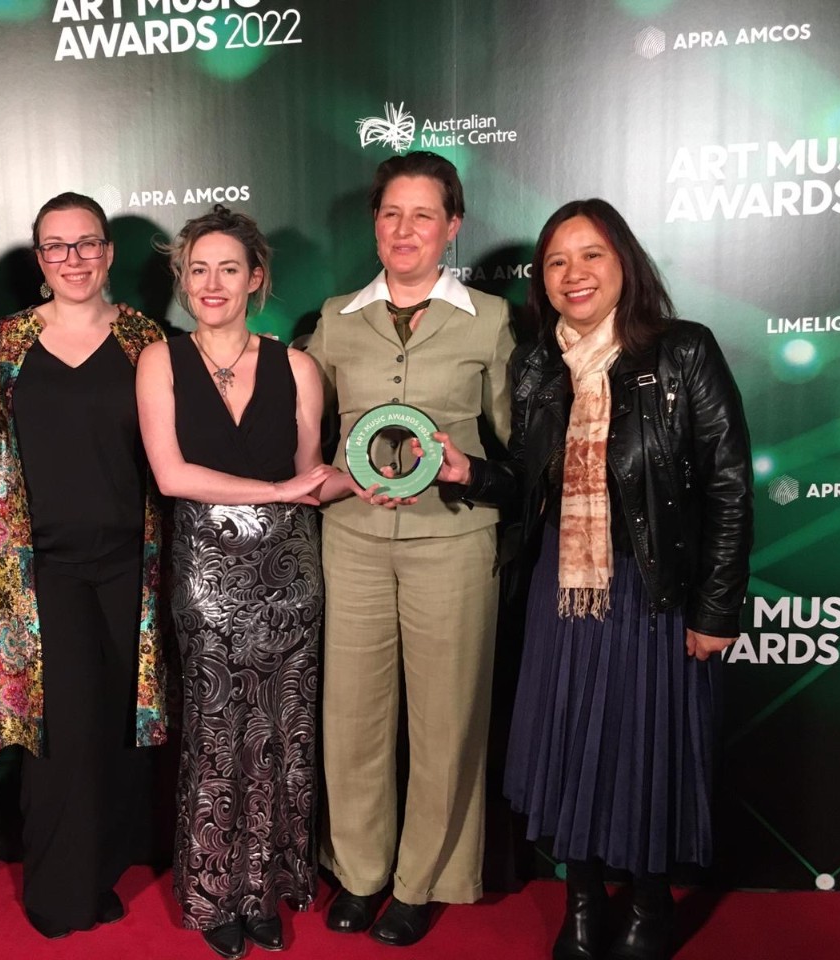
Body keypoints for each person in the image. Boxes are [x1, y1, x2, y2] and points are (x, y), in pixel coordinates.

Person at [438, 198, 752, 960]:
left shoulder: (683, 351)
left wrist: (716, 609)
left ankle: (648, 905)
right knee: (566, 739)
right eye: (556, 261)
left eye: (591, 255)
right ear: (541, 280)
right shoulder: (539, 365)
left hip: (652, 590)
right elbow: (528, 482)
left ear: (625, 265)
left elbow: (729, 487)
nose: (572, 274)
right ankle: (580, 901)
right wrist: (468, 472)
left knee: (647, 746)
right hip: (562, 589)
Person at [304, 151, 515, 947]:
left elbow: (518, 453)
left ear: (451, 226)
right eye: (392, 213)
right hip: (352, 542)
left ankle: (424, 881)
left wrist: (470, 471)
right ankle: (360, 873)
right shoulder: (335, 319)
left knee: (446, 719)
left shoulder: (490, 320)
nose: (405, 229)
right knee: (352, 717)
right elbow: (307, 435)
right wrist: (328, 477)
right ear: (374, 224)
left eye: (423, 214)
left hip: (453, 541)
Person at [136, 206, 356, 959]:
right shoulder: (160, 361)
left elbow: (310, 478)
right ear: (182, 280)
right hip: (208, 574)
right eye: (197, 269)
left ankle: (262, 889)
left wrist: (366, 480)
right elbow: (172, 475)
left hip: (291, 576)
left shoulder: (297, 367)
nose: (212, 283)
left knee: (281, 737)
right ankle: (213, 893)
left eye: (228, 268)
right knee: (217, 736)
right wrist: (279, 493)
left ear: (255, 278)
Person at [0, 192, 168, 939]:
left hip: (131, 567)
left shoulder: (148, 340)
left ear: (108, 253)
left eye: (87, 243)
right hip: (43, 571)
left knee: (119, 731)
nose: (73, 259)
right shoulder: (6, 344)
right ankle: (58, 894)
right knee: (61, 735)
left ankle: (101, 872)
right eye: (56, 246)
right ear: (39, 258)